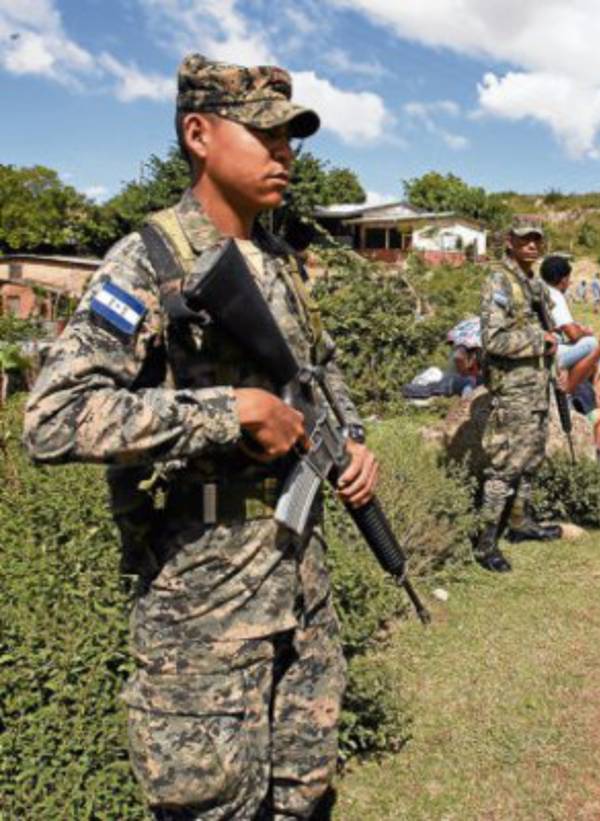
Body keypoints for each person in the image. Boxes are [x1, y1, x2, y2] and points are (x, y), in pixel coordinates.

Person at [23, 54, 373, 818]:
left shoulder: (281, 261)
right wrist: (230, 411)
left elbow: (322, 372)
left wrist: (351, 440)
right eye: (266, 135)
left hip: (299, 579)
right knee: (212, 805)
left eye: (292, 140)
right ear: (199, 133)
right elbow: (52, 417)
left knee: (305, 793)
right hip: (202, 606)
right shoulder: (145, 263)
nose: (285, 155)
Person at [476, 217, 563, 573]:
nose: (532, 245)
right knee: (506, 467)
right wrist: (538, 340)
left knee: (531, 460)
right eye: (525, 239)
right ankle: (484, 544)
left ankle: (519, 523)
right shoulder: (499, 280)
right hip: (513, 390)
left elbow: (549, 327)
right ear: (509, 241)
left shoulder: (533, 283)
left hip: (537, 386)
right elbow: (493, 340)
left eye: (537, 240)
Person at [541, 254, 600, 395]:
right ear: (563, 280)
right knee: (594, 345)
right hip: (549, 352)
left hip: (542, 347)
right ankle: (567, 390)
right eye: (569, 279)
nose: (569, 283)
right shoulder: (554, 295)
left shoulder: (540, 290)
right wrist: (585, 332)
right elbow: (573, 334)